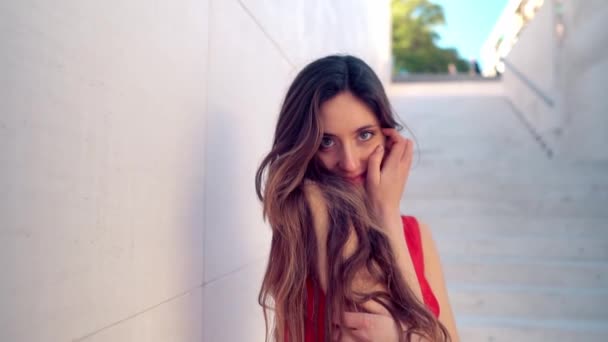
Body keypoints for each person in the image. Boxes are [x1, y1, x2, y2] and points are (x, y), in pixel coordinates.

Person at [255, 55, 459, 342]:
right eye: (327, 142)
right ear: (306, 147)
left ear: (388, 137)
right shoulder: (310, 214)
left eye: (364, 135)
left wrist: (387, 212)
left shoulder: (416, 234)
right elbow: (370, 317)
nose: (349, 163)